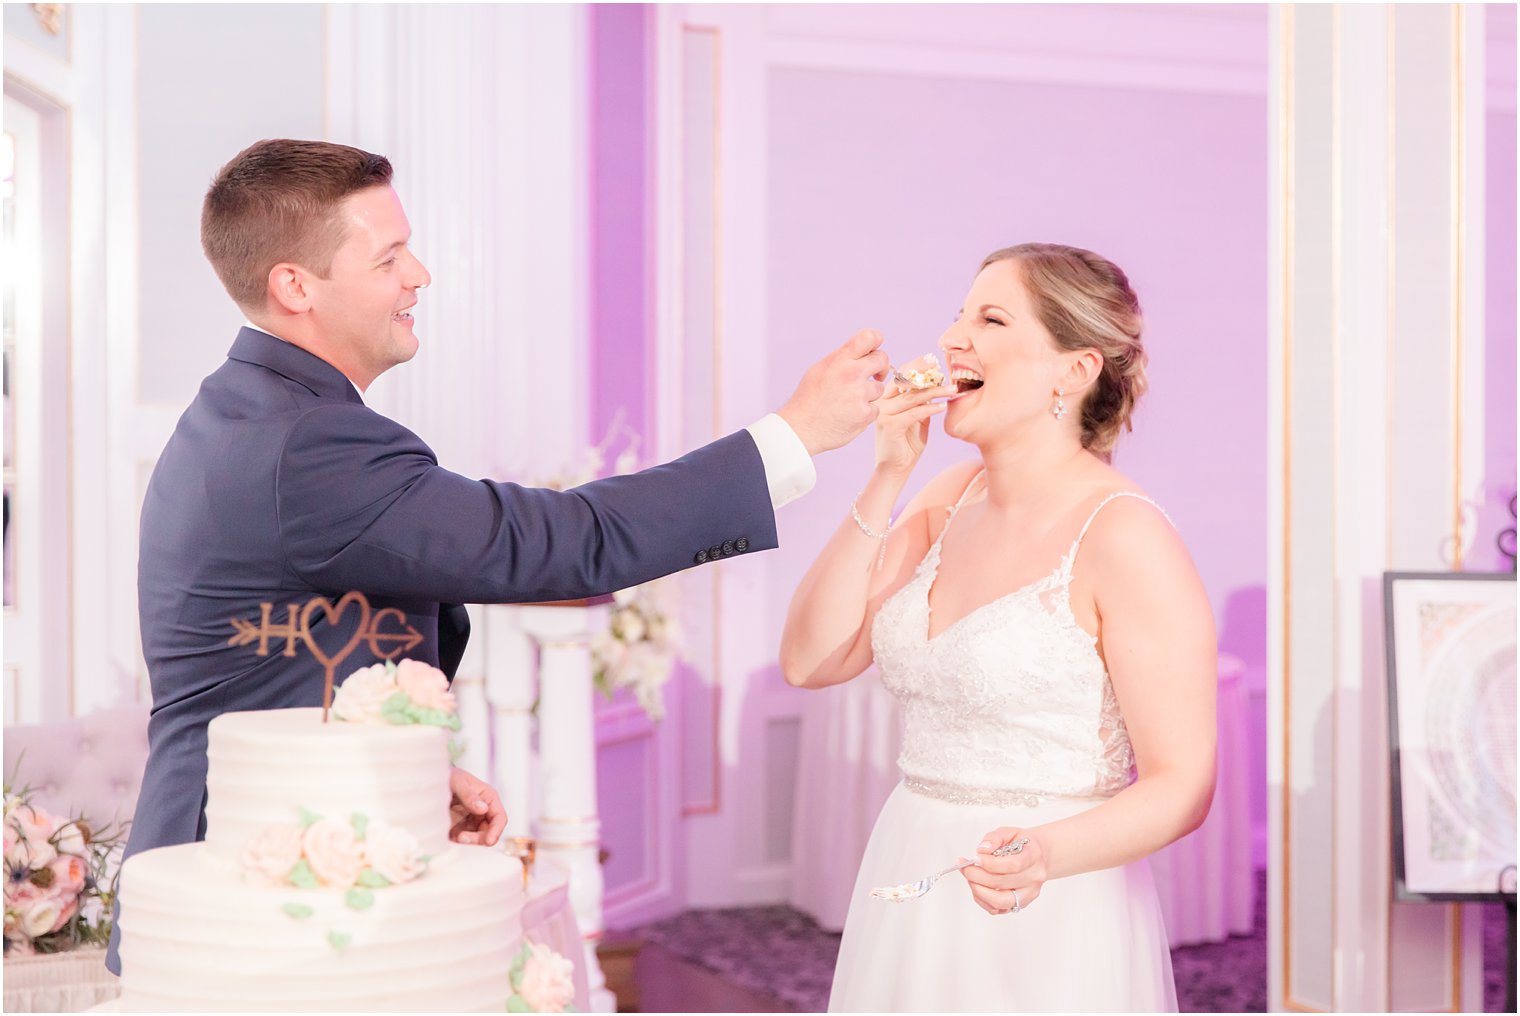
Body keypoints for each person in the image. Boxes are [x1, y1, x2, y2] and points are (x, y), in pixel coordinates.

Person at [107, 138, 888, 974]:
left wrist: (408, 775)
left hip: (247, 854)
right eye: (389, 257)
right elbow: (562, 541)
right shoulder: (311, 443)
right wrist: (793, 437)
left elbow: (279, 651)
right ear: (295, 286)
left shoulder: (240, 412)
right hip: (262, 898)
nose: (420, 276)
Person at [780, 243, 1217, 1012]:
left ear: (1074, 371)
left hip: (1050, 898)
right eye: (957, 315)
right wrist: (887, 474)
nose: (952, 340)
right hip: (911, 864)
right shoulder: (946, 497)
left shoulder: (1127, 536)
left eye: (989, 318)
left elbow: (1184, 785)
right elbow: (811, 660)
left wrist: (1047, 853)